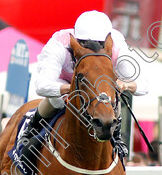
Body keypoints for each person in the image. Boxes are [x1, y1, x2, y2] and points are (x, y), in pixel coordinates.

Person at [20, 10, 147, 158]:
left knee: (111, 95)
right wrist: (73, 88)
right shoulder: (59, 44)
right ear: (77, 40)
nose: (93, 49)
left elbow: (144, 86)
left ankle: (116, 136)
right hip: (65, 82)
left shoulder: (117, 45)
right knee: (57, 100)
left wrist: (125, 85)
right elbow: (41, 86)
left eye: (99, 45)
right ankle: (32, 130)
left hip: (97, 87)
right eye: (84, 44)